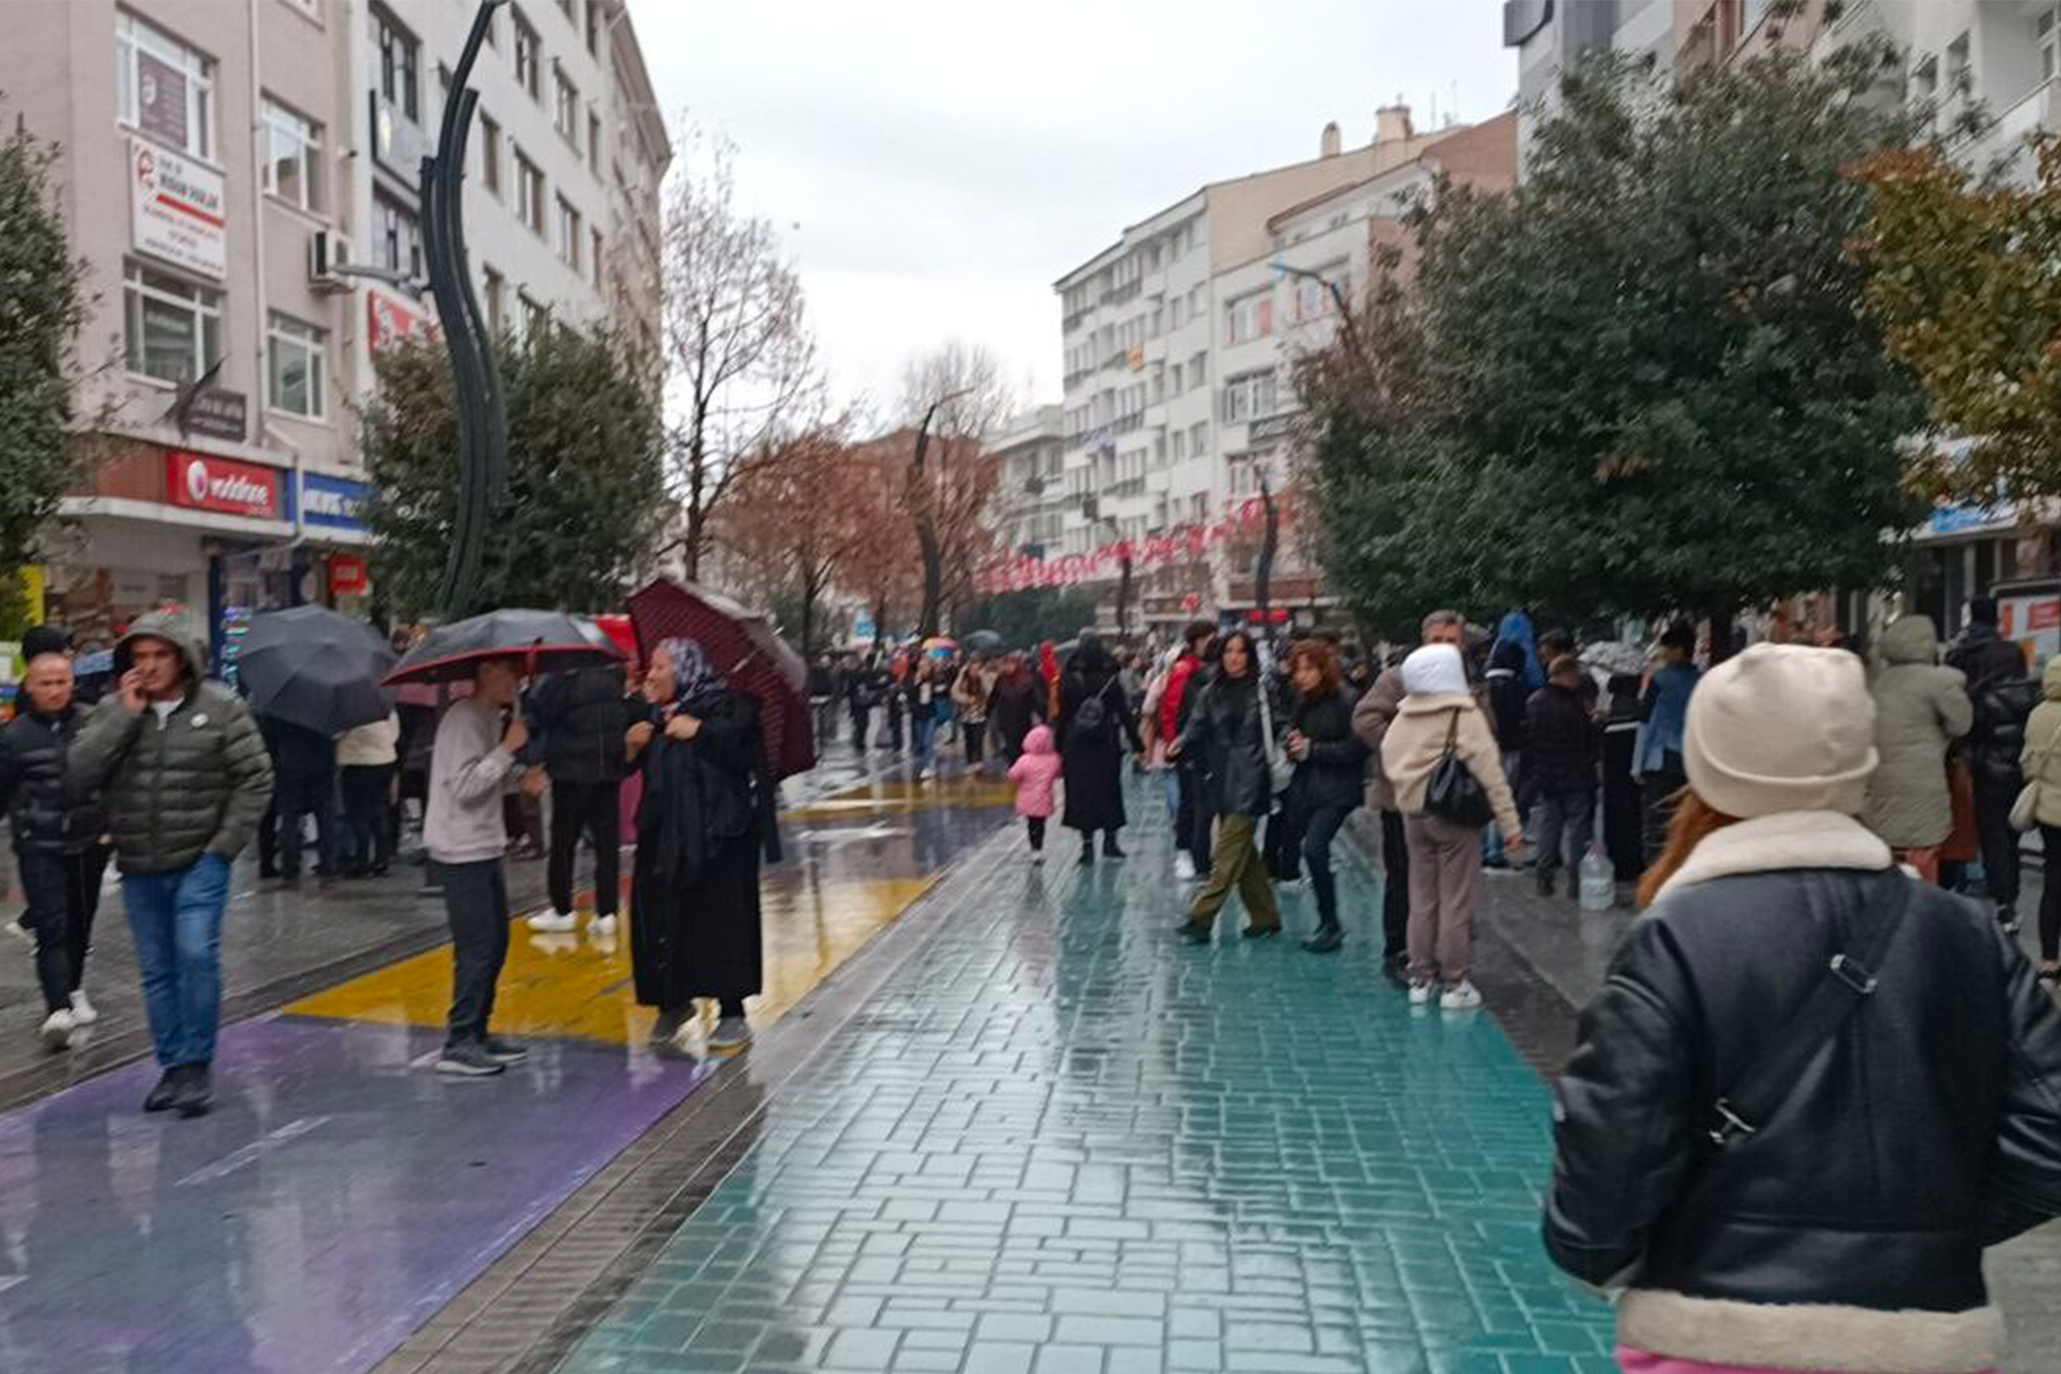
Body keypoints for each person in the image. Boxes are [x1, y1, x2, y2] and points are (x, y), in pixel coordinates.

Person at [1544, 643, 2061, 1374]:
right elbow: (2048, 1136)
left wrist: (1611, 1248)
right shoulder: (1961, 932)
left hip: (1718, 1337)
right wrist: (1920, 1237)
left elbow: (1608, 1161)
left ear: (1708, 763)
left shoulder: (1676, 937)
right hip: (1924, 1338)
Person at [67, 612, 273, 1116]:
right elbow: (78, 772)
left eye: (159, 655)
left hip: (200, 860)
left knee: (195, 955)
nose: (150, 666)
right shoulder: (117, 709)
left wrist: (222, 847)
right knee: (157, 970)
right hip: (138, 862)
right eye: (140, 657)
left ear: (181, 658)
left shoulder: (222, 708)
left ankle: (197, 1062)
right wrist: (123, 716)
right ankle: (173, 1066)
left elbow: (256, 779)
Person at [626, 638, 779, 1056]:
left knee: (718, 922)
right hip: (662, 840)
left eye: (659, 667)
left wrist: (701, 732)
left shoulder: (727, 707)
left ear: (684, 669)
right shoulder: (653, 718)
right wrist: (633, 746)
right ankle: (673, 1001)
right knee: (661, 921)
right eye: (650, 667)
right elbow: (626, 767)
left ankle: (732, 1011)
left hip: (718, 839)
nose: (650, 675)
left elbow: (747, 755)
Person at [1380, 642, 1524, 1009]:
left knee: (1422, 900)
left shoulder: (1404, 715)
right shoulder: (1464, 714)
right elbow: (1492, 774)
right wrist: (1510, 825)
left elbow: (1387, 755)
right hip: (1454, 819)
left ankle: (1420, 978)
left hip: (1413, 817)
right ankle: (1455, 983)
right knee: (1456, 902)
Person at [425, 655, 543, 1078]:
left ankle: (478, 1029)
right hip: (461, 848)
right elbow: (463, 787)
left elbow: (486, 777)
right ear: (487, 672)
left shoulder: (491, 717)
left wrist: (519, 778)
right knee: (476, 947)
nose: (517, 681)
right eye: (511, 672)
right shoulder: (463, 718)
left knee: (495, 942)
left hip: (485, 844)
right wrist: (508, 749)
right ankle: (459, 1040)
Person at [0, 652, 110, 1050]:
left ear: (72, 683)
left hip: (89, 842)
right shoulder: (13, 737)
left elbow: (111, 775)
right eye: (45, 683)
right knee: (51, 925)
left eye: (61, 681)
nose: (54, 690)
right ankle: (57, 1007)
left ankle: (74, 988)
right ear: (30, 686)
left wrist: (109, 826)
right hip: (39, 846)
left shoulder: (92, 723)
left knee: (81, 923)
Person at [1353, 610, 1469, 980]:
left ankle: (1440, 955)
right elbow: (1366, 719)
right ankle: (1399, 950)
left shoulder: (1467, 681)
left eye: (1452, 641)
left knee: (1448, 884)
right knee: (1404, 877)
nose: (1446, 648)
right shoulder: (1399, 677)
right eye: (1438, 641)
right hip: (1403, 796)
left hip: (1452, 798)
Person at [1173, 629, 1282, 942]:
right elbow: (1195, 726)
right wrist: (1180, 743)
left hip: (1253, 779)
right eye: (1228, 651)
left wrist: (1289, 737)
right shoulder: (1211, 692)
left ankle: (1200, 918)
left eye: (1241, 651)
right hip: (1220, 779)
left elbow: (1279, 723)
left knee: (1225, 852)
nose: (1234, 657)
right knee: (1244, 854)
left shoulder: (1263, 690)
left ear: (1250, 655)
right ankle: (1266, 917)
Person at [523, 662, 636, 936]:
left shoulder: (562, 678)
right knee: (606, 843)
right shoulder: (613, 678)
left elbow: (541, 713)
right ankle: (606, 912)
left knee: (564, 843)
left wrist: (530, 691)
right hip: (607, 770)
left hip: (570, 772)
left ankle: (563, 910)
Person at [1865, 614, 1973, 884]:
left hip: (1881, 780)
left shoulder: (1880, 682)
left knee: (1890, 852)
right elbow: (1962, 724)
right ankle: (1923, 913)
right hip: (1923, 782)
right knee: (1923, 852)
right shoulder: (1937, 682)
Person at [1950, 598, 2036, 931]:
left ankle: (2000, 895)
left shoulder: (1961, 652)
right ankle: (2008, 894)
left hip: (1978, 751)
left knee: (1991, 830)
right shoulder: (2012, 653)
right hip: (2014, 753)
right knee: (2010, 829)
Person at [1282, 639, 1368, 954]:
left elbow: (1356, 748)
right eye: (1297, 669)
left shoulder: (1346, 699)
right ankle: (1326, 921)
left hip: (1337, 789)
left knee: (1314, 848)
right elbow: (1296, 737)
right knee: (1309, 849)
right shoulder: (1303, 700)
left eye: (1308, 668)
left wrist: (1312, 750)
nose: (1302, 676)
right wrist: (1292, 745)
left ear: (1323, 668)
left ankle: (1331, 923)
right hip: (1308, 787)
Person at [1057, 633, 1140, 864]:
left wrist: (1058, 744)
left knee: (1082, 794)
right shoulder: (1110, 677)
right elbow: (1124, 712)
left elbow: (1062, 715)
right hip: (1106, 742)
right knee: (1109, 791)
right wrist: (1137, 743)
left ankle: (1087, 847)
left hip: (1077, 744)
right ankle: (1111, 843)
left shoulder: (1069, 677)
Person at [1526, 655, 1600, 898]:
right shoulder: (1574, 705)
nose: (1578, 679)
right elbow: (1585, 740)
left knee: (1550, 827)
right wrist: (1595, 723)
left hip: (1547, 774)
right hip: (1576, 774)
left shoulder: (1535, 701)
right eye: (1575, 675)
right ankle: (1576, 881)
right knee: (1578, 829)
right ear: (1567, 674)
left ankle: (1543, 877)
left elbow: (1532, 738)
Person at [1637, 623, 1701, 865]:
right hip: (1692, 762)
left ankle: (1655, 881)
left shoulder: (1659, 680)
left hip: (1660, 758)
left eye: (1666, 650)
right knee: (1685, 825)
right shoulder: (1702, 681)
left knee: (1656, 825)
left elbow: (1645, 722)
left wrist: (1637, 765)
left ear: (1678, 650)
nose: (1662, 655)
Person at [1164, 620, 1219, 882]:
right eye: (1209, 637)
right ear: (1196, 640)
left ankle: (1204, 855)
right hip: (1189, 748)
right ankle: (1184, 852)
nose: (1212, 641)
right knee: (1190, 803)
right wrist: (1177, 745)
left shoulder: (1210, 667)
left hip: (1212, 748)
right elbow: (1172, 712)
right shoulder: (1183, 670)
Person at [2018, 654, 2061, 987]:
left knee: (2052, 881)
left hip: (2048, 811)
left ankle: (2049, 960)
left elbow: (2029, 763)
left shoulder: (2036, 715)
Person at [258, 714, 339, 886]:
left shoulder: (280, 710)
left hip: (290, 765)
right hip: (322, 765)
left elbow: (268, 740)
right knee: (325, 818)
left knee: (290, 819)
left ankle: (290, 869)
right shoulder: (327, 706)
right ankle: (328, 866)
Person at [337, 710, 400, 878]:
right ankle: (381, 858)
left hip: (356, 763)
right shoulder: (385, 707)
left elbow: (336, 734)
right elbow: (394, 734)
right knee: (379, 810)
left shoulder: (346, 709)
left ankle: (362, 861)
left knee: (358, 814)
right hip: (385, 761)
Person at [1008, 724, 1061, 864]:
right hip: (1045, 799)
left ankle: (1034, 849)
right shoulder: (1054, 759)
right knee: (1041, 824)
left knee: (1031, 824)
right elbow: (1057, 774)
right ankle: (1039, 848)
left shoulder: (1024, 760)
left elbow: (1013, 775)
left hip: (1028, 800)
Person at [987, 653, 1045, 767]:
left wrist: (1042, 717)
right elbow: (993, 698)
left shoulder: (1027, 680)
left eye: (1011, 664)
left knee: (1022, 748)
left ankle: (1022, 770)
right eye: (1006, 664)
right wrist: (988, 713)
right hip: (1006, 721)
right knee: (1010, 749)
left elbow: (1038, 701)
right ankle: (1014, 771)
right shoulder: (1001, 680)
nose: (1008, 667)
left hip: (1023, 721)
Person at [951, 654, 994, 769]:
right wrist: (960, 675)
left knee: (978, 738)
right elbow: (954, 692)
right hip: (966, 715)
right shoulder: (964, 680)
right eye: (972, 669)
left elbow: (990, 692)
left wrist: (983, 678)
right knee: (969, 738)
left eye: (977, 668)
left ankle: (979, 761)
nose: (974, 671)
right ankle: (970, 761)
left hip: (980, 715)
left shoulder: (984, 678)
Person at [908, 656, 943, 781]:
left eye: (926, 666)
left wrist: (935, 689)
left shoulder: (935, 679)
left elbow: (942, 691)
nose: (923, 669)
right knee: (921, 743)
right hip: (918, 714)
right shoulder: (915, 680)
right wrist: (916, 684)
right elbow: (910, 695)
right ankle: (926, 764)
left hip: (930, 714)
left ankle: (928, 767)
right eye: (921, 667)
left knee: (928, 741)